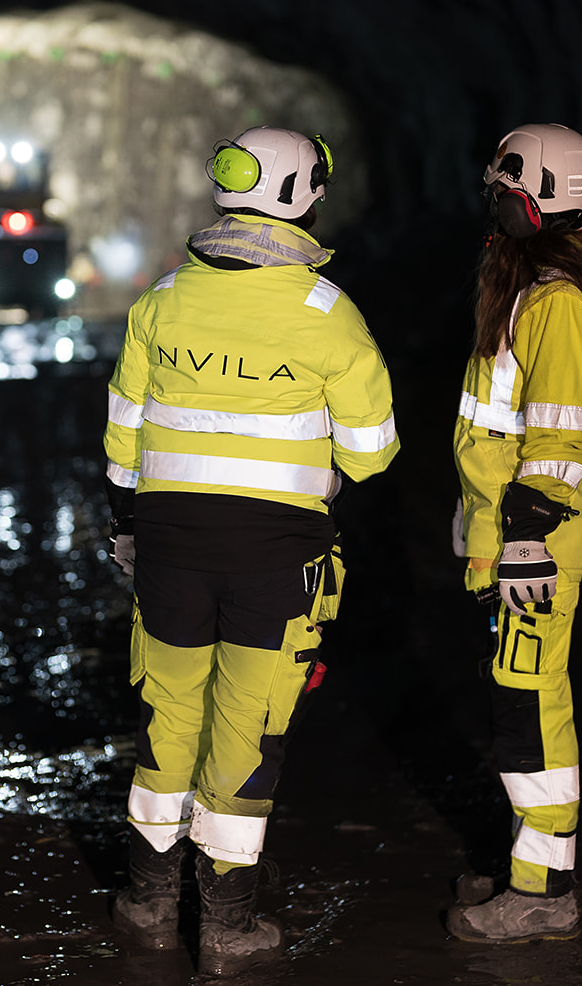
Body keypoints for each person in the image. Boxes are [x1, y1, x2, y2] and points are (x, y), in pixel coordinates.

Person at [100, 126, 399, 976]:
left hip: (168, 547)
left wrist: (127, 520)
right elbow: (374, 450)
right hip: (276, 555)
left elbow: (124, 437)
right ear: (303, 195)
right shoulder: (324, 310)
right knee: (247, 726)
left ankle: (148, 902)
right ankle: (227, 926)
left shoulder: (162, 300)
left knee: (170, 717)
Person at [446, 123, 582, 943]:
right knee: (516, 708)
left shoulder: (558, 303)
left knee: (532, 712)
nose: (493, 198)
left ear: (539, 197)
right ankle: (525, 862)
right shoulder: (534, 292)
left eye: (504, 185)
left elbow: (562, 435)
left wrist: (525, 536)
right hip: (511, 545)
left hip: (536, 551)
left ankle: (545, 890)